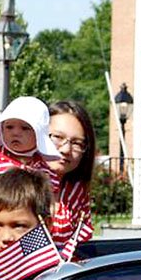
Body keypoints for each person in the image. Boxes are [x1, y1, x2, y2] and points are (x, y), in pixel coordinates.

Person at [0, 96, 61, 250]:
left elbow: (51, 199)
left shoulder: (43, 169)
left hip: (24, 235)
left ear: (38, 134)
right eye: (9, 127)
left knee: (20, 269)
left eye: (25, 128)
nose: (16, 133)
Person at [47, 100, 96, 250]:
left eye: (77, 143)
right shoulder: (17, 183)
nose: (66, 149)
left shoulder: (77, 193)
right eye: (57, 137)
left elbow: (82, 246)